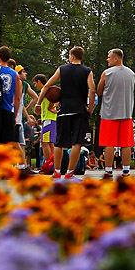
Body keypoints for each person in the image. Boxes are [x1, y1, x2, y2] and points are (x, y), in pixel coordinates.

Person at [35, 46, 96, 179]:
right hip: (79, 110)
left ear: (72, 56)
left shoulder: (62, 69)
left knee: (59, 142)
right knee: (76, 143)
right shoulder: (87, 71)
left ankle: (56, 172)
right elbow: (92, 90)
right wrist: (90, 108)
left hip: (63, 111)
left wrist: (38, 103)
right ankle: (69, 173)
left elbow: (46, 86)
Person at [97, 48, 135, 179]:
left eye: (109, 57)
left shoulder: (107, 73)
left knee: (109, 143)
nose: (107, 59)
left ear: (116, 58)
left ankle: (108, 170)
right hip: (126, 112)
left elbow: (99, 90)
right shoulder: (131, 74)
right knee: (126, 143)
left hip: (109, 112)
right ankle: (126, 169)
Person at [33, 74, 58, 165]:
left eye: (35, 83)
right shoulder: (45, 91)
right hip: (49, 119)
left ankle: (48, 164)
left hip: (49, 119)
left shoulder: (46, 90)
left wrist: (51, 107)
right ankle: (53, 165)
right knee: (50, 143)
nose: (35, 86)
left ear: (39, 81)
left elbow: (56, 96)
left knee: (44, 142)